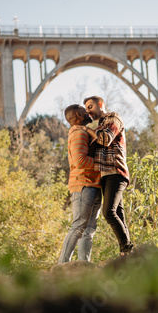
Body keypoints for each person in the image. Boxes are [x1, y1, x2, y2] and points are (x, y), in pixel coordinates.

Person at [76, 96, 134, 256]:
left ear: (100, 104)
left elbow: (105, 139)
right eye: (86, 108)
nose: (88, 111)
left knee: (109, 212)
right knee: (119, 214)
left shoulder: (113, 118)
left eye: (90, 107)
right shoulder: (100, 126)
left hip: (116, 171)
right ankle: (127, 254)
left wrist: (85, 129)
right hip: (106, 175)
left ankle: (126, 247)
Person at [58, 104, 102, 263]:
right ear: (78, 115)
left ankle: (84, 267)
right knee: (78, 227)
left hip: (94, 185)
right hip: (83, 185)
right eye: (84, 111)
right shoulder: (78, 133)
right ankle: (62, 266)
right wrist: (104, 164)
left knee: (88, 230)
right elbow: (80, 160)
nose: (88, 112)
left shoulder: (85, 132)